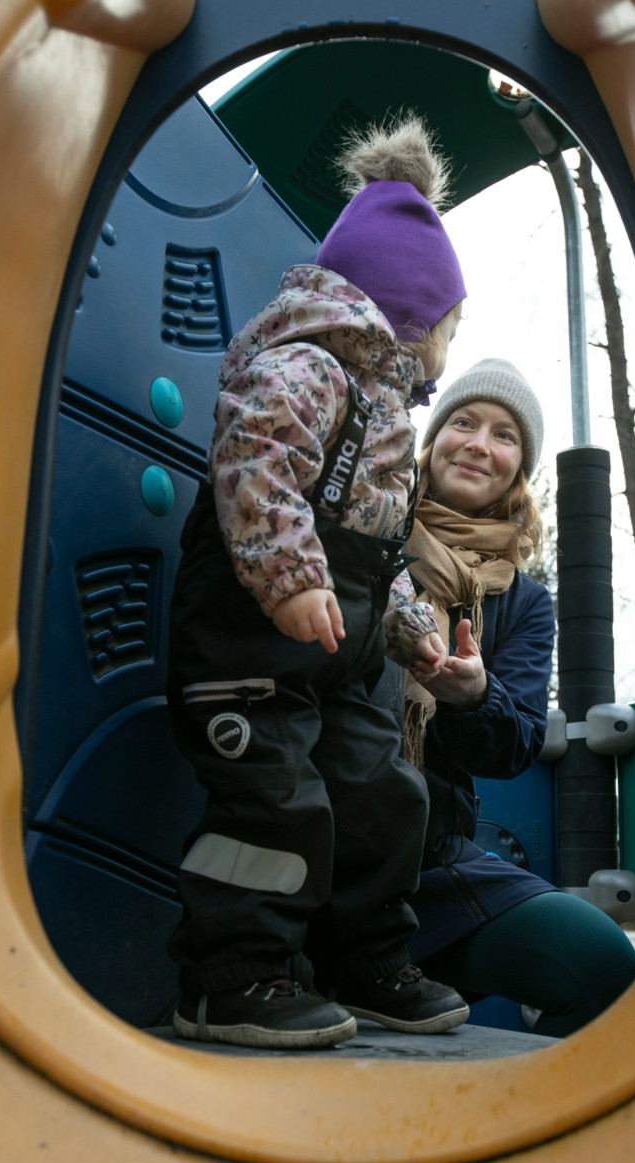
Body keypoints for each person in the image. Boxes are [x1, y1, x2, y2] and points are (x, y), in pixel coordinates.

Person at [165, 114, 471, 1050]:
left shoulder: (385, 415)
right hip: (254, 636)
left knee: (383, 797)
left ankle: (364, 959)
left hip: (347, 652)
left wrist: (416, 628)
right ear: (412, 320)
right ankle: (231, 977)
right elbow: (253, 458)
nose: (449, 347)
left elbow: (380, 549)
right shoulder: (307, 369)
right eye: (453, 328)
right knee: (274, 796)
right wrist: (291, 572)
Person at [388, 358, 635, 1037]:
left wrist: (475, 696)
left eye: (504, 435)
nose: (478, 442)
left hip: (432, 858)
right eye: (463, 422)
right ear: (432, 438)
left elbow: (517, 743)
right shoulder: (370, 531)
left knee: (599, 964)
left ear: (518, 467)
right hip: (332, 836)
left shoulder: (523, 602)